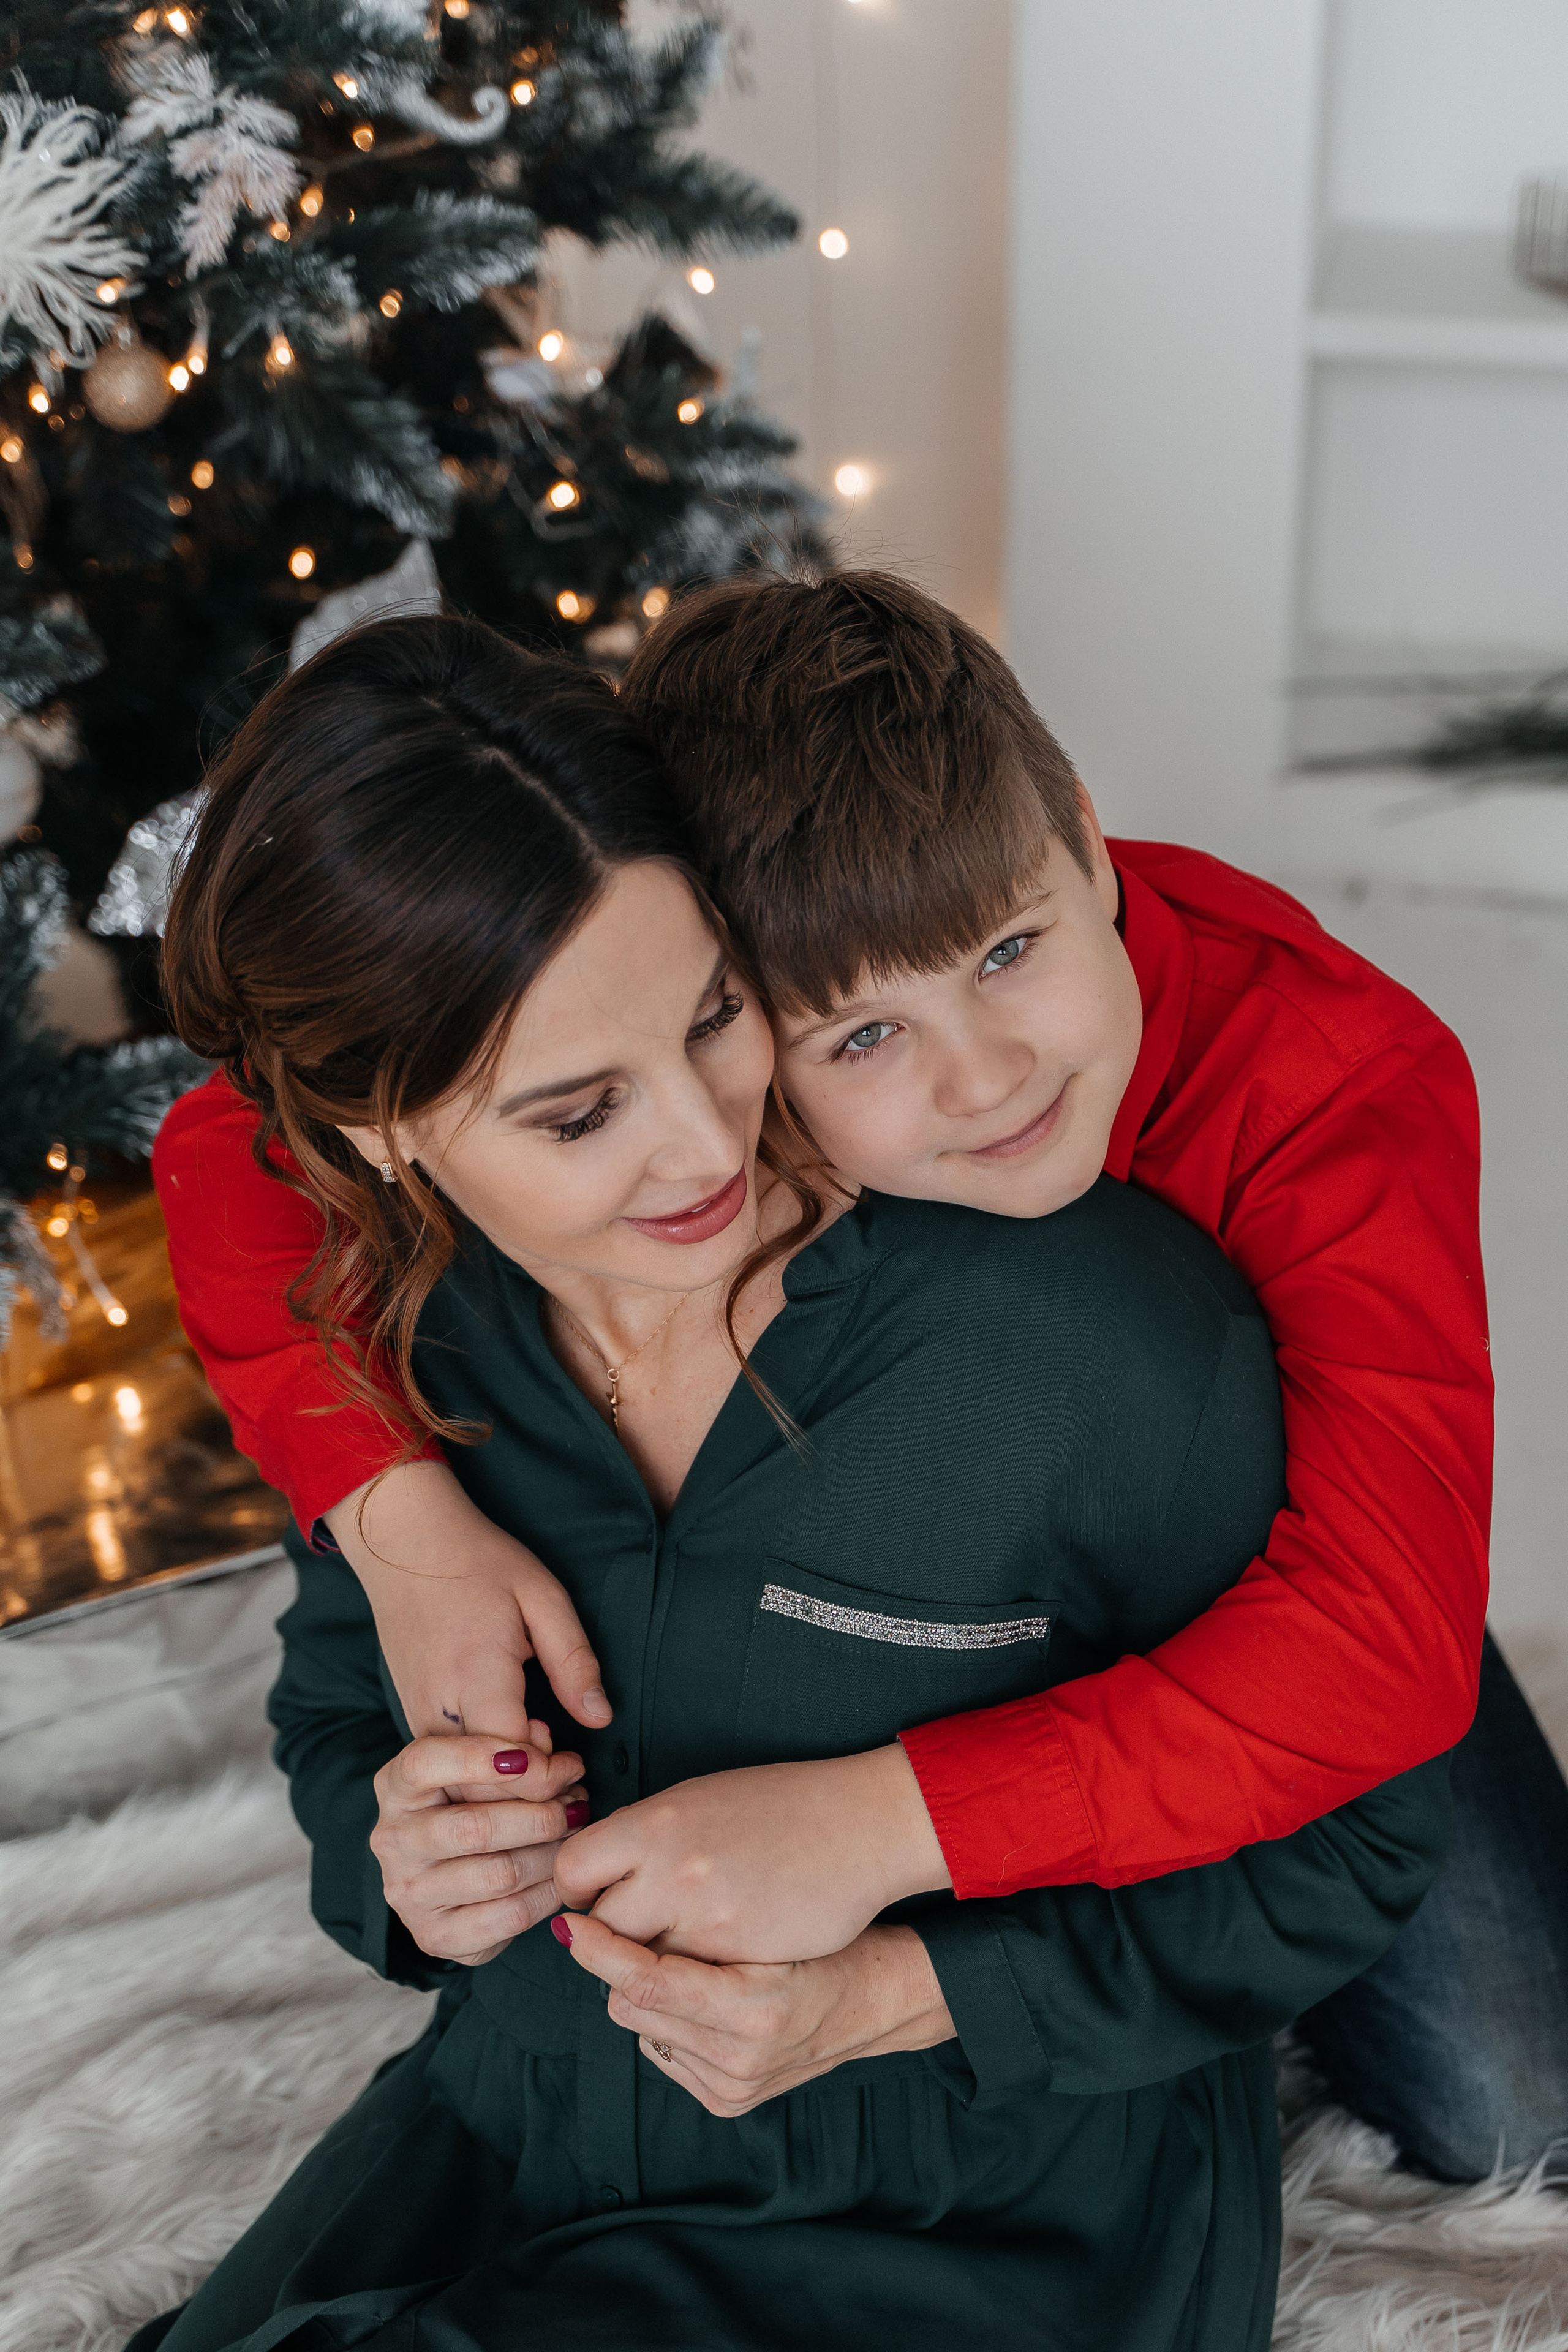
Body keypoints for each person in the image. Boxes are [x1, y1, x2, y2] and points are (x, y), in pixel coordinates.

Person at [135, 614, 1447, 2351]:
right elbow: (338, 1719)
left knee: (1502, 2029)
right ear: (376, 1129)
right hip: (509, 2140)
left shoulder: (1112, 1328)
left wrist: (901, 1979)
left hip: (969, 2202)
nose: (706, 1141)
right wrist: (400, 1860)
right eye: (580, 1109)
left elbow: (1360, 1808)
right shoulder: (392, 1341)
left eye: (713, 1021)